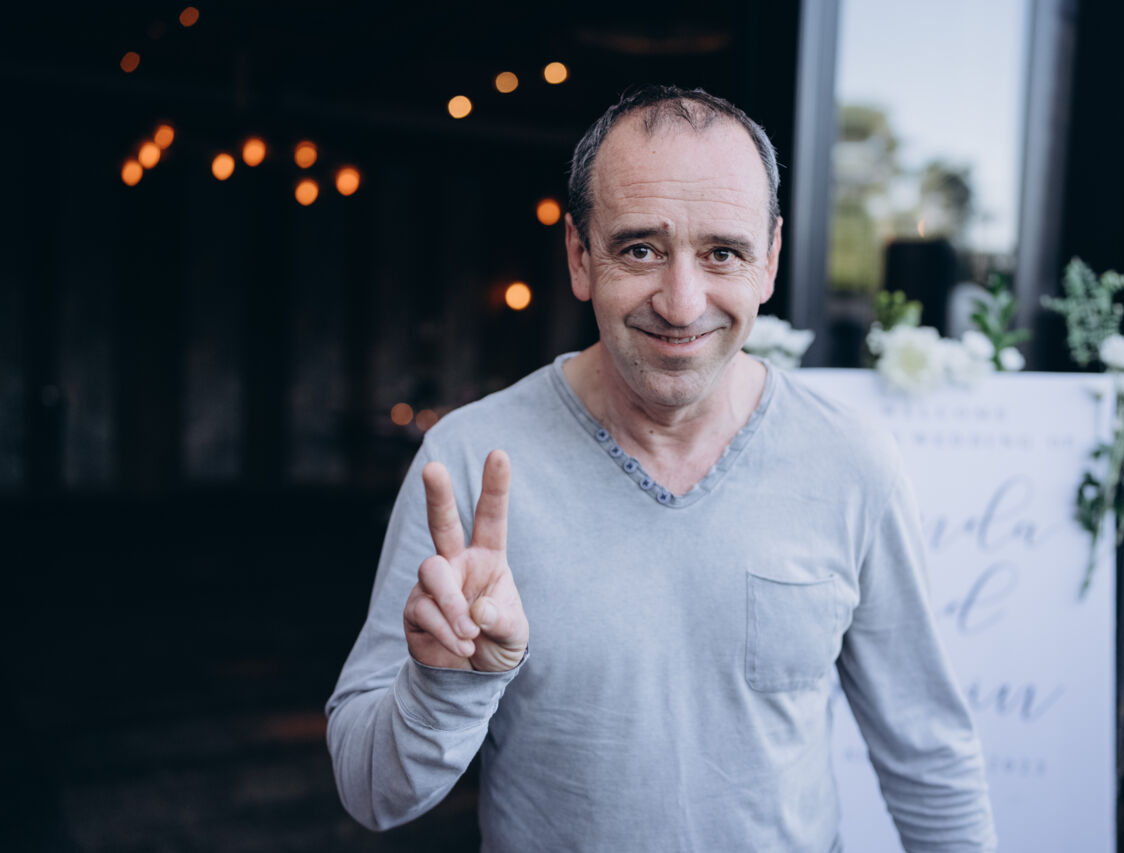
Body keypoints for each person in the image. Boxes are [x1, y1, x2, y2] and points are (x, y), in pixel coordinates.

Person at [326, 85, 996, 852]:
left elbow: (931, 758)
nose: (681, 303)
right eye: (640, 248)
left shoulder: (851, 461)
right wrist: (446, 688)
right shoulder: (470, 463)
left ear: (770, 261)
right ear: (580, 255)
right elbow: (371, 792)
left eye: (723, 253)